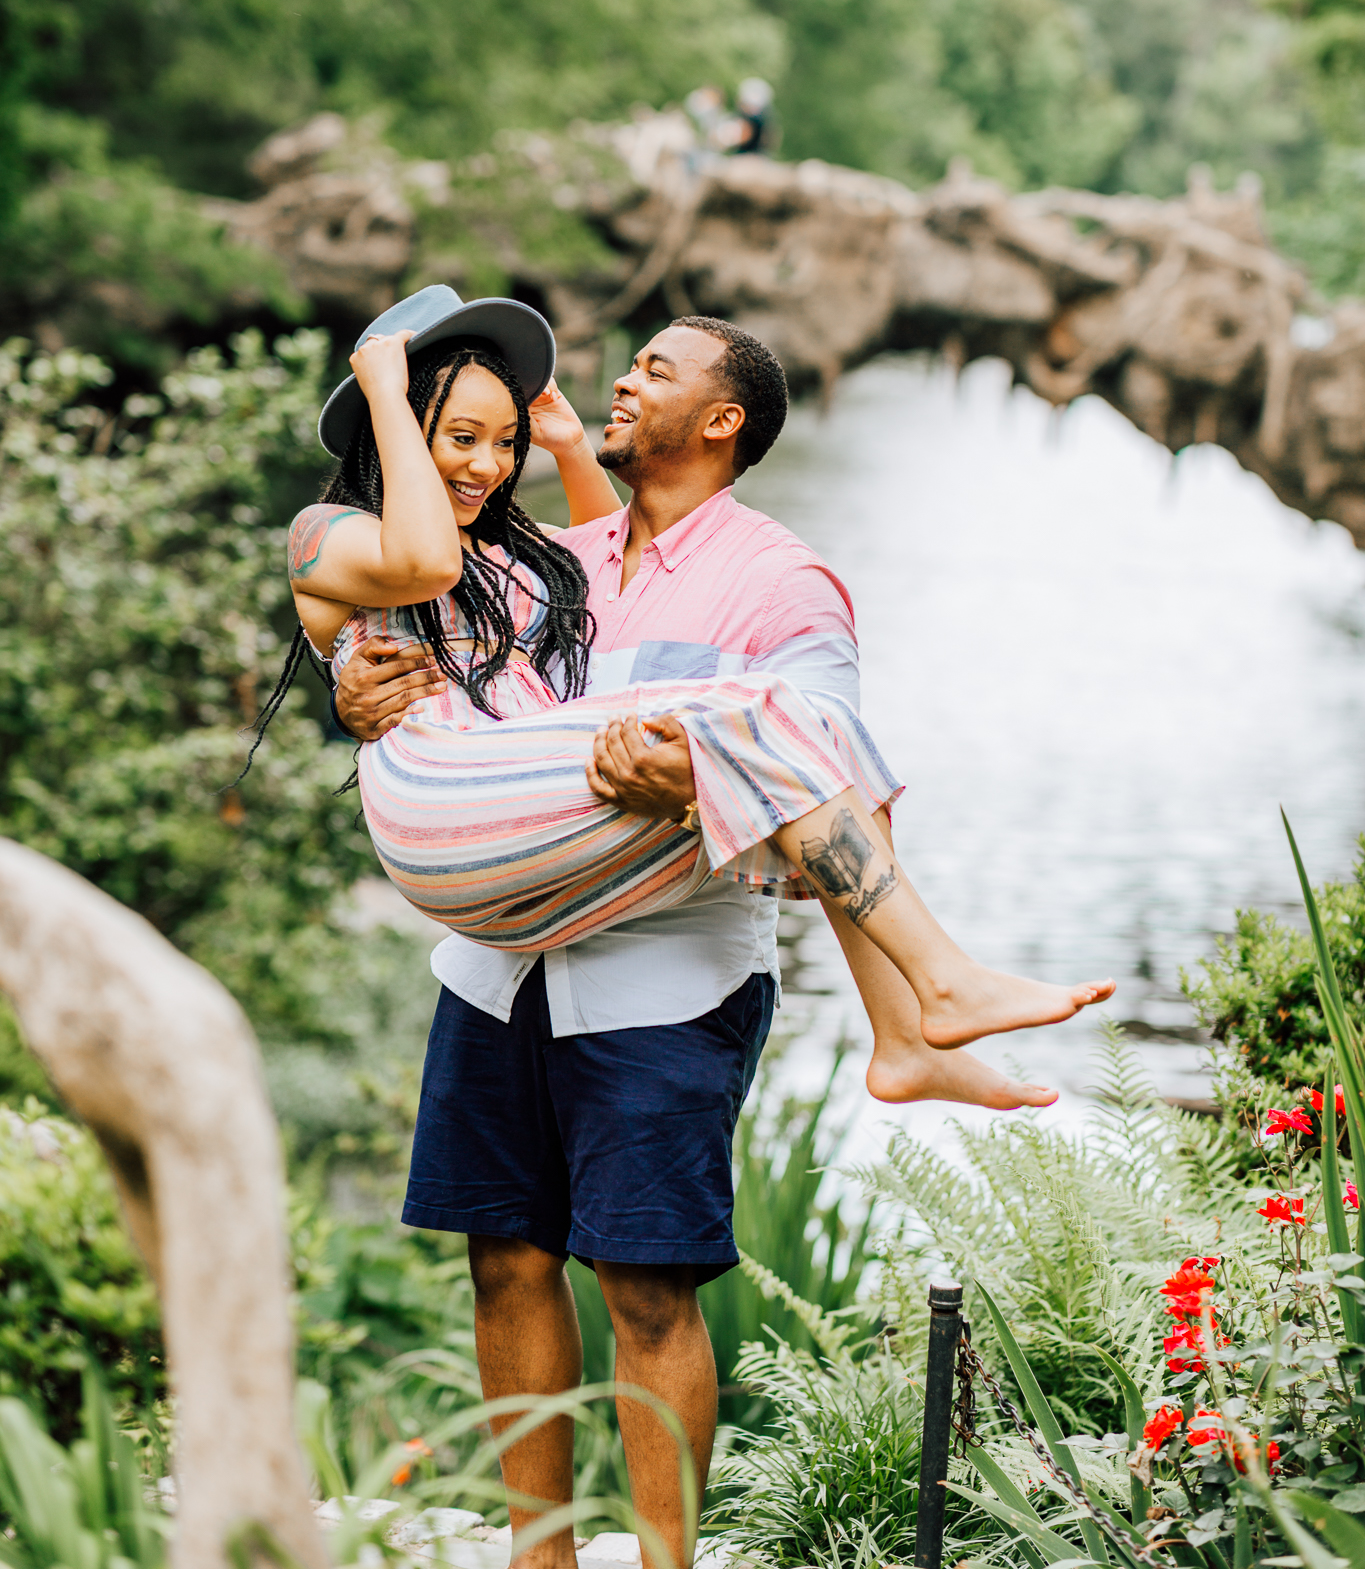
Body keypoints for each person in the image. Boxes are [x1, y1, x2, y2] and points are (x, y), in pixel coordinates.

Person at [326, 297, 1115, 1569]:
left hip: (661, 974)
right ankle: (538, 1556)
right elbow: (427, 639)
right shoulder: (557, 555)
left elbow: (828, 756)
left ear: (723, 416)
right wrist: (354, 687)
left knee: (645, 1288)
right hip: (496, 968)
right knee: (505, 1263)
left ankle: (664, 1563)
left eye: (656, 370)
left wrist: (688, 768)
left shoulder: (781, 575)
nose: (623, 382)